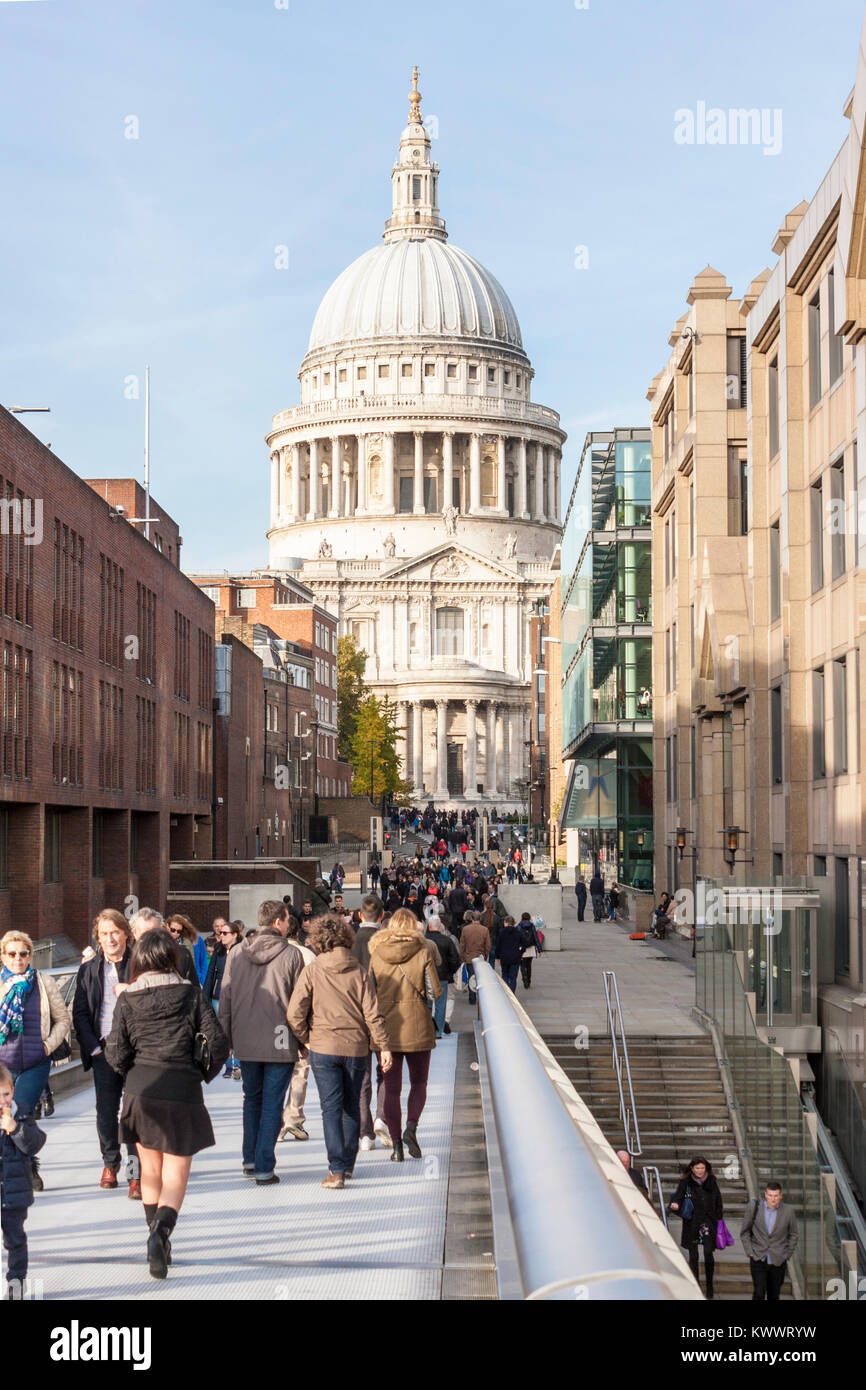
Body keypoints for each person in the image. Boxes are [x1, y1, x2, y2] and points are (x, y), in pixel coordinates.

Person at [105, 929, 228, 1279]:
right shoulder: (190, 994)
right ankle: (161, 1234)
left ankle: (154, 1238)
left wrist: (132, 1073)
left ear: (140, 959)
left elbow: (115, 1050)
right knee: (176, 1172)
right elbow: (217, 1042)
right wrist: (201, 1074)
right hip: (181, 1088)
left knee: (150, 1170)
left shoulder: (127, 999)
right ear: (172, 958)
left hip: (140, 1089)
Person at [287, 915, 392, 1189]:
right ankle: (347, 1163)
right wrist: (383, 1046)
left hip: (322, 1046)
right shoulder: (359, 971)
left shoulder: (312, 970)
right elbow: (373, 1014)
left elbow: (294, 1012)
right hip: (356, 1047)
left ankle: (336, 1169)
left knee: (330, 1108)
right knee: (351, 1105)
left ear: (321, 939)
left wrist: (305, 1039)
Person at [218, 900, 304, 1184]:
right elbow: (299, 1003)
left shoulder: (237, 954)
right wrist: (304, 1038)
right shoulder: (292, 955)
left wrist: (226, 1036)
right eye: (288, 918)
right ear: (279, 922)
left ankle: (250, 1159)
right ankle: (265, 1165)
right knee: (272, 1103)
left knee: (251, 1098)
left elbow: (226, 998)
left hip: (245, 1037)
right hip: (280, 1037)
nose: (289, 922)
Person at [72, 909, 141, 1195]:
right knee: (105, 1111)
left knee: (135, 1112)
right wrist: (93, 1048)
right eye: (104, 933)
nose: (110, 938)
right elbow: (80, 1012)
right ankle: (110, 1162)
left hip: (136, 1051)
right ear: (97, 938)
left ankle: (136, 1171)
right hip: (103, 1050)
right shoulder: (89, 970)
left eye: (115, 932)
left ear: (126, 933)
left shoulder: (140, 965)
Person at [368, 907, 441, 1162]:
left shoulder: (376, 953)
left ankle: (397, 1145)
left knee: (391, 1088)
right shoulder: (422, 951)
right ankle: (411, 1127)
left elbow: (370, 993)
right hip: (418, 1026)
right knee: (419, 1083)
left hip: (386, 1029)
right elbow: (433, 992)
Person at [0, 930, 70, 1194]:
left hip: (35, 1062)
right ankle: (22, 1165)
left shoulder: (43, 982)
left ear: (31, 955)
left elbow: (63, 1019)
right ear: (4, 956)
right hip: (2, 1065)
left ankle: (28, 1167)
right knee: (5, 1113)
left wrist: (47, 1046)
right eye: (12, 953)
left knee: (22, 1111)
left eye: (24, 953)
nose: (18, 958)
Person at [0, 1061, 45, 1299]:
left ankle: (16, 1287)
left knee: (15, 1241)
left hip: (15, 1193)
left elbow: (34, 1144)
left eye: (6, 1094)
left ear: (13, 1091)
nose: (3, 1101)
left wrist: (15, 1128)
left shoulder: (23, 1113)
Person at [277, 915, 316, 1143]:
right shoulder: (308, 955)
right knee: (300, 1070)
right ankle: (292, 1117)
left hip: (274, 1021)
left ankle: (277, 1120)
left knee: (276, 1071)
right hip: (302, 1020)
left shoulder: (272, 954)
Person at [669, 1155, 724, 1299]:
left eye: (702, 1168)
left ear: (706, 1168)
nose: (700, 1171)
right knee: (693, 1256)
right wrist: (675, 1204)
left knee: (707, 1252)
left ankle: (710, 1285)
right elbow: (677, 1197)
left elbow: (719, 1201)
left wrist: (718, 1220)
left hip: (708, 1223)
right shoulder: (686, 1182)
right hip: (692, 1223)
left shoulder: (712, 1181)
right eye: (697, 1168)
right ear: (692, 1168)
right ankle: (696, 1286)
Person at [740, 1181, 799, 1301]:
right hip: (758, 1256)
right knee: (759, 1292)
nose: (773, 1199)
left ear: (781, 1196)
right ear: (765, 1195)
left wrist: (787, 1254)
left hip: (778, 1259)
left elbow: (794, 1234)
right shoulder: (754, 1207)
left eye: (776, 1196)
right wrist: (750, 1251)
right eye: (770, 1195)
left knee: (774, 1294)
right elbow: (745, 1231)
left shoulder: (788, 1211)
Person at [202, 920, 243, 1078]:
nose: (222, 936)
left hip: (237, 996)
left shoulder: (241, 951)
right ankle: (228, 1065)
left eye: (225, 933)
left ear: (235, 935)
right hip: (218, 995)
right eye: (220, 933)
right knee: (224, 1031)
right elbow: (211, 972)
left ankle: (237, 1064)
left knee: (236, 1030)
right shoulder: (218, 949)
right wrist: (205, 996)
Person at [425, 915, 459, 1039]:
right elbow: (455, 959)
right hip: (442, 976)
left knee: (426, 1004)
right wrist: (450, 972)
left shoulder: (423, 940)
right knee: (441, 1004)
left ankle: (427, 1029)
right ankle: (438, 1031)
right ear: (439, 926)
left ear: (429, 926)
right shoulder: (447, 940)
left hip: (425, 976)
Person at [458, 910, 491, 1005]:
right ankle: (480, 995)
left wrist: (463, 956)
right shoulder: (485, 930)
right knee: (480, 977)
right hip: (480, 957)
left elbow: (462, 945)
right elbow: (488, 945)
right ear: (480, 918)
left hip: (469, 957)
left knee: (471, 977)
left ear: (471, 918)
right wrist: (485, 955)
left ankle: (472, 997)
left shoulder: (465, 929)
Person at [166, 914, 209, 985]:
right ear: (168, 927)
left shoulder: (187, 942)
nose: (175, 933)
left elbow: (194, 963)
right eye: (173, 930)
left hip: (184, 981)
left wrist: (200, 980)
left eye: (179, 931)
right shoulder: (161, 941)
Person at [496, 916, 525, 993]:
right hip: (515, 957)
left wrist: (497, 957)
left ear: (506, 923)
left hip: (504, 957)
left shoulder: (501, 932)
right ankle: (512, 993)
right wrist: (521, 952)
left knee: (505, 975)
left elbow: (498, 945)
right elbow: (524, 944)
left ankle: (506, 993)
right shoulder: (518, 932)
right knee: (513, 978)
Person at [517, 912, 542, 989]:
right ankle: (528, 980)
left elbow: (517, 939)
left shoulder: (519, 926)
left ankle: (525, 981)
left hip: (522, 948)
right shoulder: (532, 926)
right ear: (529, 918)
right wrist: (539, 949)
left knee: (522, 965)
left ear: (522, 918)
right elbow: (536, 937)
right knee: (529, 965)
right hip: (531, 948)